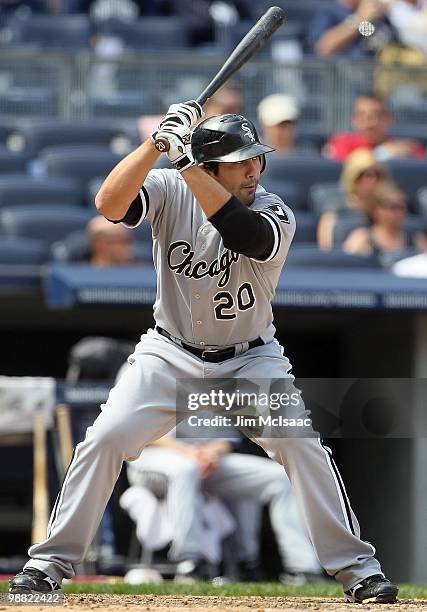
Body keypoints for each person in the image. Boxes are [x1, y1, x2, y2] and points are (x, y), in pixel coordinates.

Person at [9, 101, 398, 604]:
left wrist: (187, 162)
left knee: (302, 447)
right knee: (104, 439)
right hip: (170, 353)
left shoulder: (272, 209)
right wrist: (153, 145)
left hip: (250, 358)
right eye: (240, 160)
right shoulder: (171, 189)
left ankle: (358, 569)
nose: (254, 168)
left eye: (256, 158)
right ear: (212, 165)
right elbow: (108, 204)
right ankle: (47, 564)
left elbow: (246, 235)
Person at [126, 426, 323, 583]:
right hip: (152, 459)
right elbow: (133, 431)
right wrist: (188, 452)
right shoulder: (141, 373)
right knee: (186, 470)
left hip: (204, 461)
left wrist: (211, 453)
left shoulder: (219, 379)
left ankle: (303, 570)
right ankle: (189, 563)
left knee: (280, 478)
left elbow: (227, 438)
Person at [317, 148, 390, 250]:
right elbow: (326, 248)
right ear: (353, 177)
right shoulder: (336, 208)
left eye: (377, 175)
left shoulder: (389, 207)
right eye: (366, 174)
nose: (373, 180)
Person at [325, 91, 425, 161]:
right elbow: (349, 167)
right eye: (362, 116)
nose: (371, 122)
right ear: (354, 119)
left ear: (390, 118)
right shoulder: (341, 142)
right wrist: (383, 153)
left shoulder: (408, 148)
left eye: (378, 115)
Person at [342, 180, 419, 257]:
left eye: (403, 206)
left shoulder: (416, 241)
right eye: (393, 207)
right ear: (377, 210)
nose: (400, 212)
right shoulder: (361, 240)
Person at [309, 0, 394, 57]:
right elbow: (322, 49)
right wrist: (359, 19)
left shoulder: (379, 15)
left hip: (377, 79)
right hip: (340, 80)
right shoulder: (330, 11)